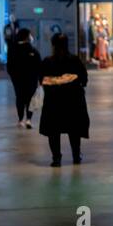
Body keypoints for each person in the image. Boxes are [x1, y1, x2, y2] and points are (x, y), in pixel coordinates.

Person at [39, 33, 89, 167]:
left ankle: (56, 158)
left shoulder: (47, 62)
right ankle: (76, 155)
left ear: (52, 44)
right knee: (74, 129)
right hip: (73, 100)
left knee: (53, 130)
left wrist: (55, 83)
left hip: (53, 102)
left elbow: (42, 80)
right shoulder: (75, 60)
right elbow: (84, 79)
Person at [7, 27, 42, 129]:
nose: (31, 37)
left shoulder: (13, 48)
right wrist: (40, 79)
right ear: (26, 36)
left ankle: (21, 119)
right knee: (30, 98)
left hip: (18, 79)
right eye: (30, 35)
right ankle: (28, 119)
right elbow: (39, 65)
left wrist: (13, 76)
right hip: (30, 79)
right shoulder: (32, 50)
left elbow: (9, 65)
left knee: (20, 98)